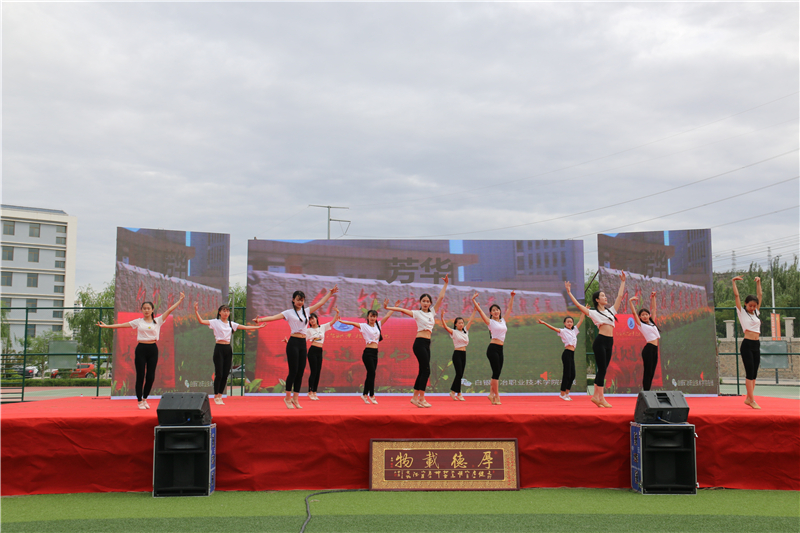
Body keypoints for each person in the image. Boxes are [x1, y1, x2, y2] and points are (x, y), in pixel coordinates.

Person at [254, 285, 339, 409]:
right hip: (293, 342)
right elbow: (273, 317)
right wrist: (260, 320)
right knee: (293, 372)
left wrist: (330, 293)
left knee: (300, 372)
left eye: (302, 300)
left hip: (302, 344)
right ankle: (287, 398)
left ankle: (295, 398)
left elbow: (321, 303)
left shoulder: (307, 311)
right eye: (298, 299)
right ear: (293, 300)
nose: (300, 302)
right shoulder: (288, 313)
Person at [97, 292, 185, 410]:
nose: (146, 310)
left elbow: (169, 310)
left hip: (153, 349)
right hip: (141, 349)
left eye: (148, 308)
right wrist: (106, 326)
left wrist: (180, 300)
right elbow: (122, 325)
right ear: (142, 310)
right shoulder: (138, 321)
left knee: (150, 376)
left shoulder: (158, 321)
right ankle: (139, 401)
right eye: (144, 308)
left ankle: (145, 399)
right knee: (140, 375)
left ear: (152, 310)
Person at [384, 276, 449, 408]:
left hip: (427, 344)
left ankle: (415, 398)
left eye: (427, 301)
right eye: (423, 301)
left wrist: (446, 284)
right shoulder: (417, 313)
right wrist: (388, 307)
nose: (425, 303)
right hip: (419, 343)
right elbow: (402, 310)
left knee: (423, 371)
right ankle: (422, 398)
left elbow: (441, 297)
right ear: (420, 302)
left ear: (430, 303)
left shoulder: (432, 312)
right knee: (426, 371)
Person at [566, 272, 626, 408]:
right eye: (602, 296)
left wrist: (623, 282)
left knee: (603, 370)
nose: (605, 297)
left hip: (610, 342)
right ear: (597, 300)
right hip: (600, 341)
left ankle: (596, 397)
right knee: (602, 369)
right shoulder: (593, 312)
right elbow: (579, 306)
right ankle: (600, 398)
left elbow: (619, 297)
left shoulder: (611, 311)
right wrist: (569, 293)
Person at [194, 303, 265, 405]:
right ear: (219, 312)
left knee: (225, 374)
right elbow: (201, 321)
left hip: (228, 349)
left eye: (227, 311)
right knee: (219, 374)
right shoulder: (215, 322)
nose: (226, 313)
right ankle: (216, 396)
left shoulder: (231, 324)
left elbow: (245, 327)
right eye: (224, 311)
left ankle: (220, 396)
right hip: (219, 348)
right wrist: (196, 311)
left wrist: (258, 327)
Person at [339, 300, 399, 405]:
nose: (373, 318)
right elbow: (352, 323)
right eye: (371, 316)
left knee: (371, 375)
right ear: (368, 317)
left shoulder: (378, 325)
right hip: (368, 353)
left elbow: (387, 316)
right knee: (372, 373)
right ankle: (371, 395)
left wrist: (394, 307)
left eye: (374, 316)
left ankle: (365, 395)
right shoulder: (364, 326)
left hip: (375, 353)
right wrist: (341, 321)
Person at [472, 290, 516, 405]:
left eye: (497, 310)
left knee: (497, 373)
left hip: (501, 349)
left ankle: (491, 394)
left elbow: (509, 308)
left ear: (500, 311)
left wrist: (512, 297)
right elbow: (480, 311)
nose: (496, 311)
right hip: (492, 349)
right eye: (493, 310)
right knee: (496, 373)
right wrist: (473, 300)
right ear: (491, 313)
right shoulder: (490, 322)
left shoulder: (503, 321)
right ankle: (497, 396)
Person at [537, 312, 585, 401]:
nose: (569, 323)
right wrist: (544, 323)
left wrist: (584, 311)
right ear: (564, 323)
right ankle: (562, 394)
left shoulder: (574, 331)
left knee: (573, 375)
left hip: (572, 354)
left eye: (571, 322)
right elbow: (553, 328)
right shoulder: (563, 331)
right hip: (566, 353)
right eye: (568, 322)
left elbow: (581, 321)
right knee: (567, 374)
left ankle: (567, 393)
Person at [733, 276, 763, 409]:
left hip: (756, 344)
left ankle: (749, 398)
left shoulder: (756, 313)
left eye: (754, 306)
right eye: (750, 305)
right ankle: (752, 399)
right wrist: (733, 282)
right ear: (745, 304)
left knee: (754, 373)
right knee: (749, 372)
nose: (752, 308)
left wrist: (758, 282)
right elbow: (736, 295)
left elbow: (759, 295)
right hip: (747, 345)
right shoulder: (742, 312)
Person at [438, 308, 477, 401]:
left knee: (460, 374)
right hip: (457, 354)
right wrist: (442, 317)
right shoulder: (454, 332)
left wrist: (475, 310)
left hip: (464, 354)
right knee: (459, 374)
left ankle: (458, 393)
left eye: (462, 323)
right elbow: (445, 327)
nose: (461, 324)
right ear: (455, 324)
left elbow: (470, 320)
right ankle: (453, 392)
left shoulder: (465, 331)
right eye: (459, 323)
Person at [305, 308, 340, 401]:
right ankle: (310, 391)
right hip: (312, 351)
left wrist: (337, 313)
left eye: (313, 318)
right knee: (313, 372)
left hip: (320, 351)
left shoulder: (323, 327)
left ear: (316, 318)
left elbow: (332, 322)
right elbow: (302, 340)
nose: (312, 321)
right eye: (310, 320)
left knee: (318, 372)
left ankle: (315, 392)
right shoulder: (309, 330)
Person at [629, 291, 660, 392]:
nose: (645, 316)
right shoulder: (641, 325)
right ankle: (646, 392)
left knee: (652, 371)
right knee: (648, 370)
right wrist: (630, 301)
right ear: (640, 317)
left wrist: (653, 297)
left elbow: (654, 309)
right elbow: (634, 313)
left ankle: (648, 390)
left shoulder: (652, 322)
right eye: (643, 315)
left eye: (646, 314)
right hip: (649, 349)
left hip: (655, 349)